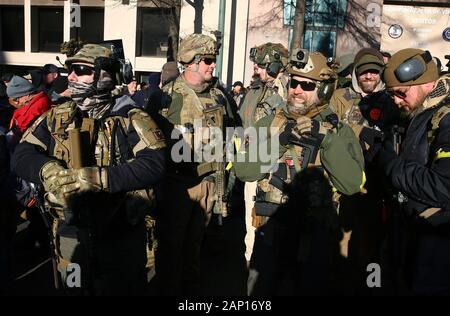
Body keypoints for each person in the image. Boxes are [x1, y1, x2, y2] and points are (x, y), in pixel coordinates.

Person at [12, 44, 166, 295]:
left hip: (119, 237)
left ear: (105, 75)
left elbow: (154, 163)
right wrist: (48, 169)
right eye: (69, 70)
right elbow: (22, 154)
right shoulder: (57, 116)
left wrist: (100, 178)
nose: (70, 77)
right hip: (70, 235)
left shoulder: (131, 116)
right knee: (73, 288)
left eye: (81, 70)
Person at [234, 51, 365, 295]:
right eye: (294, 82)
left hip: (314, 238)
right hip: (271, 230)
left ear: (323, 90)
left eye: (307, 85)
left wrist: (326, 141)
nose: (297, 90)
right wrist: (280, 141)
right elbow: (243, 170)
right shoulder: (269, 123)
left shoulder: (339, 130)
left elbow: (351, 184)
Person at [155, 33, 242, 295]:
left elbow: (235, 132)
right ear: (190, 62)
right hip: (177, 186)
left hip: (208, 184)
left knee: (195, 246)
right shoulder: (166, 97)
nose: (212, 65)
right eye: (207, 60)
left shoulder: (219, 96)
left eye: (213, 60)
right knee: (171, 246)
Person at [378, 48, 450, 295]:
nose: (397, 100)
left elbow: (444, 186)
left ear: (428, 83)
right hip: (410, 239)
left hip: (438, 249)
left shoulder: (446, 119)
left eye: (401, 92)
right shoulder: (417, 114)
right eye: (392, 94)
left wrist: (393, 167)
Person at [239, 42, 289, 129]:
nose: (257, 71)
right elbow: (242, 122)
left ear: (275, 67)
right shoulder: (254, 91)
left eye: (262, 66)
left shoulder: (291, 91)